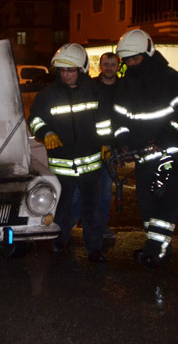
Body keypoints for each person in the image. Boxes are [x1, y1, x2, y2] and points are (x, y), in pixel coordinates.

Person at [111, 29, 178, 268]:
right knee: (146, 200)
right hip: (144, 154)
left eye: (135, 59)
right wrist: (123, 140)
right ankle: (158, 245)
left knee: (163, 199)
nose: (130, 63)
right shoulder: (126, 83)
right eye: (126, 60)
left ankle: (156, 249)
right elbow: (118, 119)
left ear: (148, 53)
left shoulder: (171, 80)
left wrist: (164, 137)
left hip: (170, 153)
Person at [27, 43, 110, 262]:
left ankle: (94, 249)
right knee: (62, 210)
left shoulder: (95, 91)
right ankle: (59, 241)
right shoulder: (47, 96)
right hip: (62, 166)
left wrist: (106, 143)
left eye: (70, 70)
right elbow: (34, 119)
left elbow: (104, 122)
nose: (65, 74)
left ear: (81, 69)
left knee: (92, 212)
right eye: (62, 70)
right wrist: (46, 132)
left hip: (91, 167)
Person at [71, 52, 120, 239]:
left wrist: (119, 147)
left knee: (105, 193)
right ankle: (71, 224)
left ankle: (100, 228)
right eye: (105, 64)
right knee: (78, 189)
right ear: (100, 66)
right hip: (89, 147)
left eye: (112, 64)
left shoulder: (123, 88)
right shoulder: (90, 87)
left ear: (118, 66)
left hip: (110, 149)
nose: (109, 67)